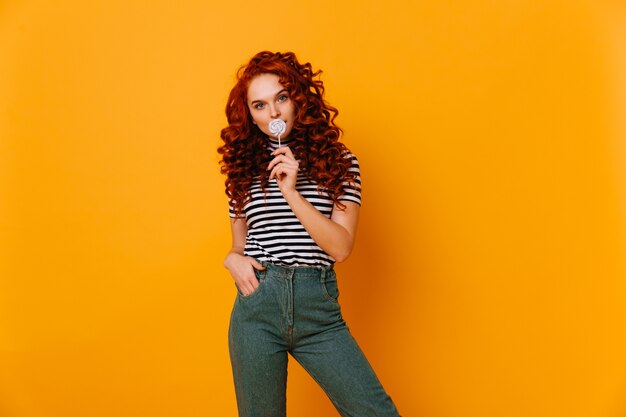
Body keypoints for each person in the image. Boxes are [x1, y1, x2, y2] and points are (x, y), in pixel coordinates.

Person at [218, 51, 401, 417]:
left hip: (317, 306)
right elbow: (239, 245)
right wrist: (232, 259)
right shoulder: (243, 169)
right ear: (251, 116)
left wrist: (292, 192)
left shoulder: (340, 160)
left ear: (298, 99)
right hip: (258, 307)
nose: (273, 113)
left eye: (281, 98)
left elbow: (341, 247)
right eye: (260, 105)